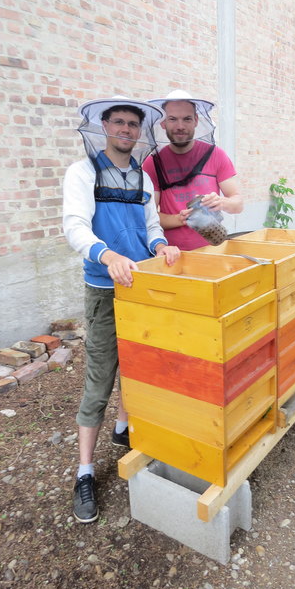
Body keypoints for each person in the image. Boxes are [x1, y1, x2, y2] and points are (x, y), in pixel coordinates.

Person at [63, 96, 180, 524]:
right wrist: (106, 254)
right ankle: (85, 472)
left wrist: (161, 246)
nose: (126, 130)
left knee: (139, 366)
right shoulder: (83, 172)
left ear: (140, 132)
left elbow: (149, 227)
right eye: (119, 123)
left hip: (142, 288)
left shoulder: (143, 180)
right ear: (104, 127)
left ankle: (122, 430)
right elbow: (74, 225)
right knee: (100, 378)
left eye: (134, 124)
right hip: (103, 290)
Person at [142, 90, 243, 250]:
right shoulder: (153, 163)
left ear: (196, 120)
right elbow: (150, 217)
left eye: (187, 119)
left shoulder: (216, 155)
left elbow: (238, 204)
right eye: (173, 119)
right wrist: (181, 218)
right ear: (163, 123)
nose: (180, 126)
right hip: (172, 255)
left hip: (213, 250)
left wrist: (221, 202)